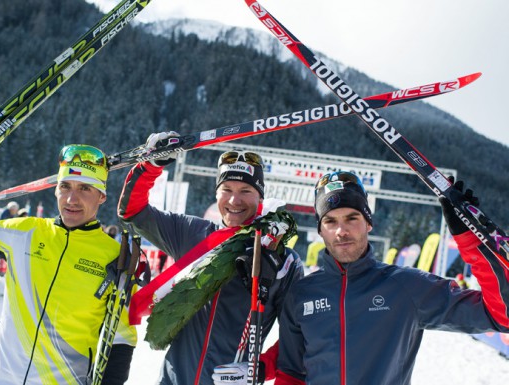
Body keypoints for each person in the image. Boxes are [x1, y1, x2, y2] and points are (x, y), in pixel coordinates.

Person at [272, 172, 509, 385]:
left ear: (368, 223)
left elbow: (501, 316)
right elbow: (290, 374)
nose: (341, 231)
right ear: (320, 230)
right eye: (330, 221)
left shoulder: (406, 286)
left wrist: (471, 238)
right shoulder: (301, 294)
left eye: (352, 218)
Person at [0, 144, 136, 385]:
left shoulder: (116, 256)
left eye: (85, 188)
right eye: (65, 186)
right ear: (55, 191)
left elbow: (122, 338)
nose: (72, 199)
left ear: (102, 196)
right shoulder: (24, 232)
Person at [117, 132, 304, 385]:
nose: (234, 200)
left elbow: (298, 335)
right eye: (226, 189)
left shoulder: (282, 259)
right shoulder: (192, 233)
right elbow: (133, 211)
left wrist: (260, 368)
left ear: (260, 197)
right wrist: (151, 165)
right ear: (217, 193)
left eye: (245, 190)